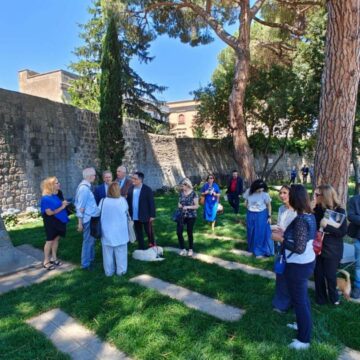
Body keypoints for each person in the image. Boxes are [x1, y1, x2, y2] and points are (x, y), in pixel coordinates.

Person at [272, 184, 316, 350]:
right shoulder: (309, 215)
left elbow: (299, 247)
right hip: (306, 262)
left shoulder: (300, 220)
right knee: (302, 299)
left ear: (295, 198)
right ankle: (301, 324)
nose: (286, 197)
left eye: (290, 195)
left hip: (299, 264)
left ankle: (304, 339)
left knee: (300, 300)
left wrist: (280, 239)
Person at [313, 185, 347, 305]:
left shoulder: (339, 211)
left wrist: (326, 226)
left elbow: (342, 232)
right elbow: (312, 227)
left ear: (325, 196)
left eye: (317, 195)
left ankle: (334, 298)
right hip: (318, 246)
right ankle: (320, 299)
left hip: (333, 248)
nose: (314, 197)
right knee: (318, 274)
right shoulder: (317, 209)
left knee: (330, 275)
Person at [272, 185, 297, 313]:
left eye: (285, 193)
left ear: (291, 194)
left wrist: (283, 232)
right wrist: (275, 228)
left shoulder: (297, 211)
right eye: (280, 193)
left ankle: (288, 302)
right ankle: (281, 303)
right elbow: (279, 224)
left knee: (290, 276)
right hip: (280, 245)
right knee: (281, 275)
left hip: (292, 247)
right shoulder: (281, 208)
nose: (282, 195)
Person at [99, 182, 129, 276]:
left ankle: (109, 272)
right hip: (121, 231)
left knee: (107, 254)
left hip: (107, 231)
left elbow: (97, 212)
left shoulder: (103, 201)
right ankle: (121, 271)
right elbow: (126, 210)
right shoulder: (123, 201)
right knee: (121, 252)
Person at [40, 177, 69, 270]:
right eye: (56, 183)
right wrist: (63, 206)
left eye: (58, 182)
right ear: (50, 186)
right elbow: (49, 213)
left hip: (60, 220)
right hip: (51, 222)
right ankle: (46, 261)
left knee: (56, 239)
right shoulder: (45, 198)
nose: (59, 184)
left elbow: (59, 204)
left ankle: (54, 258)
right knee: (50, 240)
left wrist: (63, 203)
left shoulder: (57, 194)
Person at [75, 167, 100, 270]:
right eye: (94, 175)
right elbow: (80, 208)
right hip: (88, 220)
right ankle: (85, 264)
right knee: (88, 242)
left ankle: (90, 260)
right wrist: (80, 223)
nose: (95, 177)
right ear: (89, 176)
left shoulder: (86, 187)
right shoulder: (84, 189)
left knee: (91, 241)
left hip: (92, 218)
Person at [243, 179, 273, 258]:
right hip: (250, 213)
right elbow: (245, 202)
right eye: (259, 188)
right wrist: (248, 207)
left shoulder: (265, 194)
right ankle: (251, 248)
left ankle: (259, 251)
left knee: (260, 232)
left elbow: (269, 205)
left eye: (262, 188)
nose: (261, 190)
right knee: (251, 230)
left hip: (261, 214)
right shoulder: (249, 191)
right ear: (255, 187)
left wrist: (269, 216)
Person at [127, 172, 156, 249]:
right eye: (132, 178)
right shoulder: (130, 189)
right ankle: (141, 247)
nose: (133, 180)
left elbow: (151, 203)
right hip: (134, 215)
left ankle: (152, 246)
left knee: (149, 232)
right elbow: (128, 202)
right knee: (138, 232)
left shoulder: (147, 189)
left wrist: (152, 215)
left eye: (135, 179)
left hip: (145, 215)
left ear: (140, 180)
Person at [177, 178, 199, 256]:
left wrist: (187, 207)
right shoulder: (181, 193)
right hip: (182, 215)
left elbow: (196, 206)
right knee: (179, 232)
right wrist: (179, 205)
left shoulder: (194, 194)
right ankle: (183, 249)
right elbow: (179, 203)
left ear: (187, 185)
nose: (181, 187)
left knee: (189, 231)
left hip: (191, 215)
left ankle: (190, 249)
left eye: (182, 186)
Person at [348, 193, 360, 299]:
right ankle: (358, 286)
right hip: (359, 237)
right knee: (359, 264)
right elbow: (351, 216)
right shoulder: (354, 200)